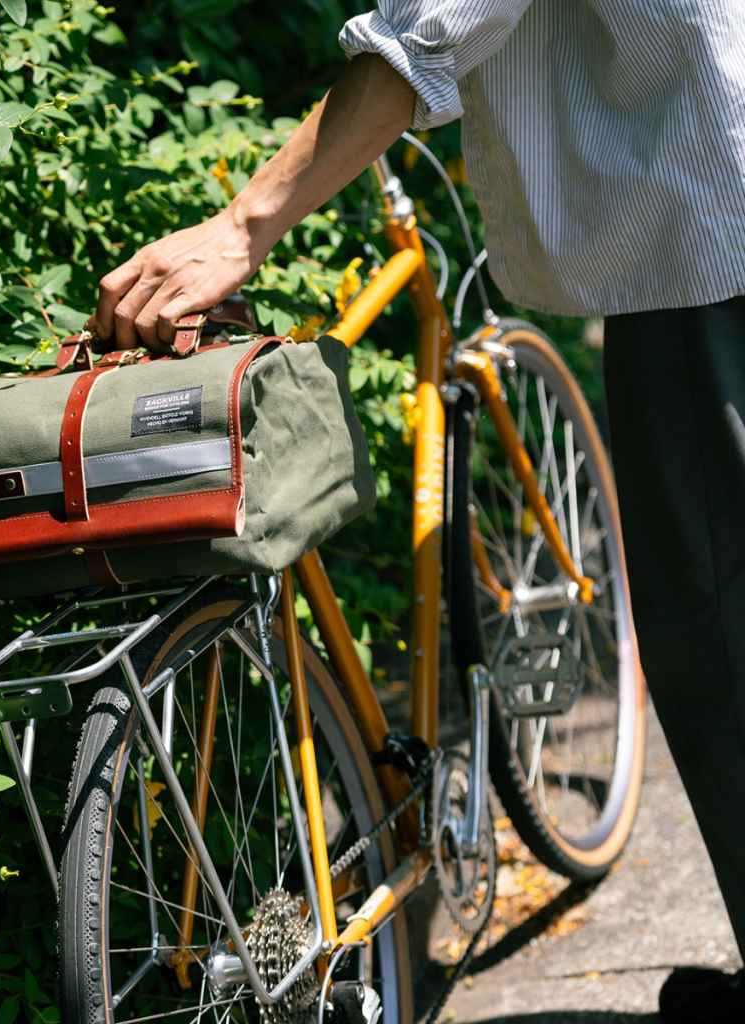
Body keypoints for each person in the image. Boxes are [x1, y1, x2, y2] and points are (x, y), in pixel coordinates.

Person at [93, 3, 745, 1019]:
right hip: (714, 211)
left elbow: (429, 27)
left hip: (713, 239)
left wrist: (241, 225)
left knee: (725, 634)